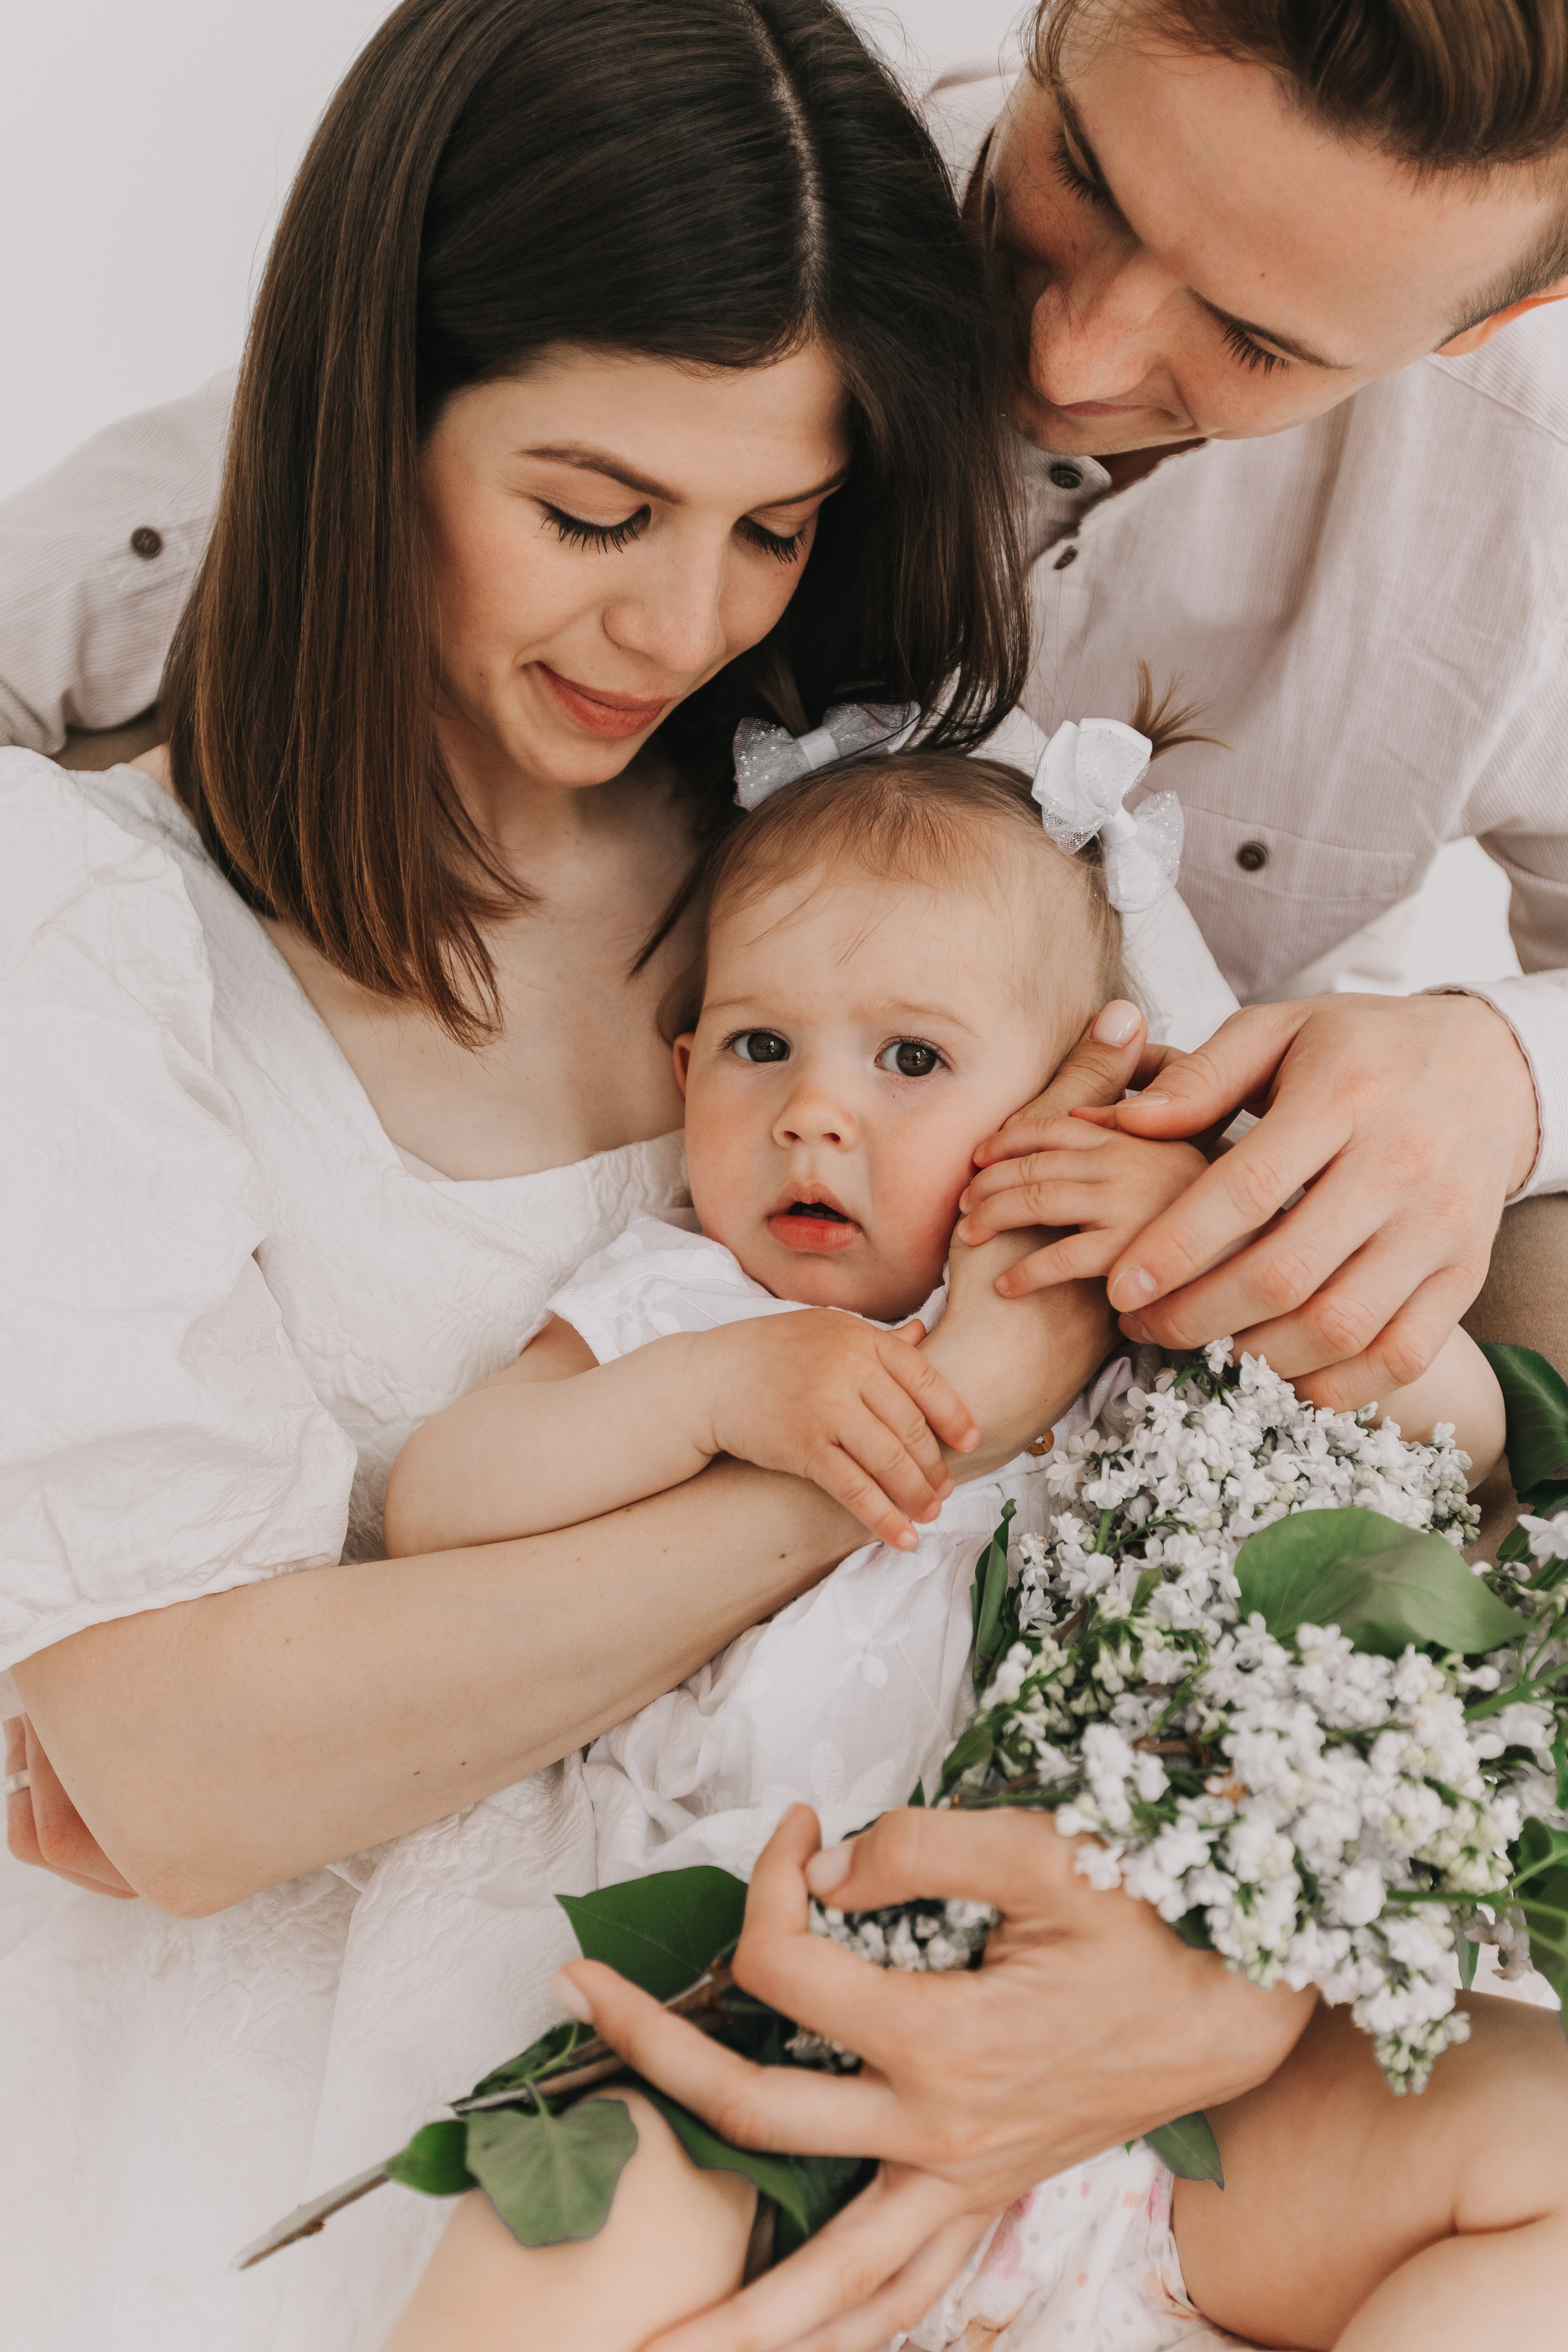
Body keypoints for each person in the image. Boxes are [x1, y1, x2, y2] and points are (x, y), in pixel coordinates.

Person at [0, 2, 1204, 2344]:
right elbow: (168, 1776)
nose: (686, 626)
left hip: (913, 2085)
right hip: (344, 2155)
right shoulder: (83, 922)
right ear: (373, 411)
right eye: (591, 510)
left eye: (777, 523)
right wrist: (937, 1407)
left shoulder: (885, 861)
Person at [382, 735, 1542, 2352]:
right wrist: (714, 1397)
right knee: (549, 2249)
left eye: (910, 1062)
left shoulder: (1142, 1288)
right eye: (760, 1046)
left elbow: (1458, 1426)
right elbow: (443, 1499)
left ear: (1082, 1095)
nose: (814, 1117)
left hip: (1153, 2069)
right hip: (766, 2031)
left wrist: (1195, 1220)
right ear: (680, 1070)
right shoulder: (685, 1310)